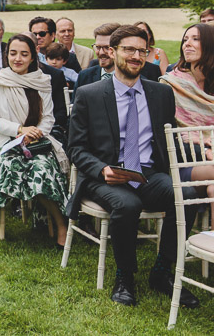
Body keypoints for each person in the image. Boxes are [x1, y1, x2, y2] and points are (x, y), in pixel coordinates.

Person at [67, 25, 199, 308]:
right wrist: (102, 169)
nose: (137, 56)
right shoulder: (90, 94)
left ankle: (163, 273)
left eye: (142, 50)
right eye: (129, 49)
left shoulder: (161, 94)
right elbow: (76, 148)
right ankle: (124, 277)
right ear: (113, 52)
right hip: (106, 176)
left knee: (187, 196)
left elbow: (169, 141)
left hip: (149, 173)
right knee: (127, 205)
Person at [0, 34, 69, 245]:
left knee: (41, 170)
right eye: (13, 53)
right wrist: (20, 130)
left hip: (37, 144)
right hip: (6, 144)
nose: (18, 58)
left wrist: (37, 133)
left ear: (33, 57)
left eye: (24, 54)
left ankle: (61, 224)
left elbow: (49, 117)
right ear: (7, 55)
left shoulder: (42, 81)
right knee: (13, 166)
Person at [159, 24, 214, 232]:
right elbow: (166, 136)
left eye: (195, 39)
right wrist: (204, 147)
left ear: (211, 45)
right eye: (185, 39)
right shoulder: (171, 85)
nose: (187, 43)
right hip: (185, 163)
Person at [75, 22, 121, 89]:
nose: (101, 52)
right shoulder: (85, 76)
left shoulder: (132, 77)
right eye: (98, 47)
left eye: (107, 47)